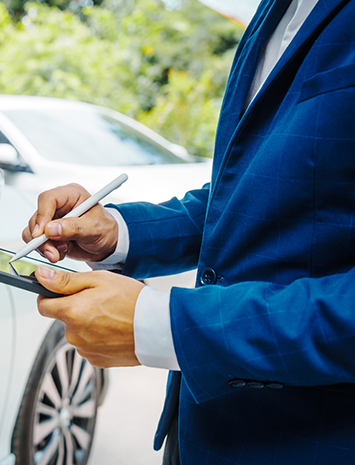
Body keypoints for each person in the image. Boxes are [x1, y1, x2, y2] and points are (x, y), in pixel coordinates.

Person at [22, 0, 355, 463]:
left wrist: (170, 328)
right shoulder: (272, 12)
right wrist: (118, 231)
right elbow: (248, 196)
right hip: (198, 432)